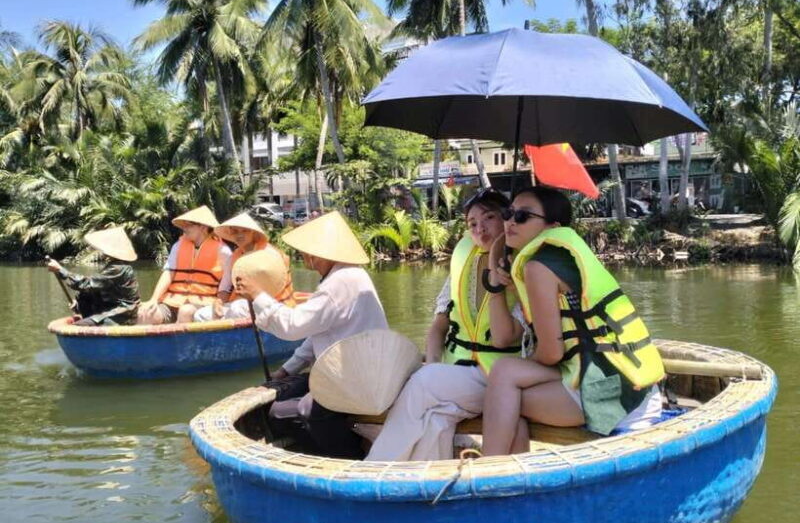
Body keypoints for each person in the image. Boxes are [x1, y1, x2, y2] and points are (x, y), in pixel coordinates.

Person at [481, 186, 665, 456]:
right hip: (629, 384)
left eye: (522, 216)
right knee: (505, 377)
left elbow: (551, 353)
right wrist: (497, 261)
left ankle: (493, 472)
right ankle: (505, 472)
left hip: (613, 394)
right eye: (509, 213)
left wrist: (521, 368)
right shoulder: (557, 257)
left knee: (504, 392)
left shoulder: (537, 268)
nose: (510, 222)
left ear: (552, 226)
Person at [366, 189, 525, 461]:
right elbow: (439, 327)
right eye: (472, 224)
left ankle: (375, 469)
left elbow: (505, 338)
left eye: (489, 217)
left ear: (507, 220)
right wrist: (435, 364)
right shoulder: (464, 263)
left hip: (497, 378)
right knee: (436, 420)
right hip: (457, 371)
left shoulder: (523, 267)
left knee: (423, 384)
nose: (480, 228)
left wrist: (499, 282)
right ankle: (423, 485)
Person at [234, 210, 388, 459]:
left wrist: (258, 295)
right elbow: (316, 333)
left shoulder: (339, 282)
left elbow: (293, 326)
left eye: (310, 251)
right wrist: (287, 369)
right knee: (291, 390)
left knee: (291, 411)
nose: (305, 255)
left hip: (355, 378)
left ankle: (348, 458)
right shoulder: (350, 275)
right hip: (357, 371)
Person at [137, 206, 232, 325]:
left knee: (185, 311)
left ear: (203, 227)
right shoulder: (178, 246)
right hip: (172, 300)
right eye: (183, 225)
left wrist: (220, 303)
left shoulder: (223, 251)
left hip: (202, 303)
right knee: (145, 313)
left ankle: (179, 343)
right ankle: (147, 343)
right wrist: (154, 299)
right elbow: (168, 272)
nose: (184, 228)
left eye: (188, 225)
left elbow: (226, 285)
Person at [193, 213, 294, 321]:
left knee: (238, 307)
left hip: (274, 305)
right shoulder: (233, 257)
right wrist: (219, 302)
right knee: (200, 315)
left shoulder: (270, 254)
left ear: (253, 233)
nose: (239, 235)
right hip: (241, 306)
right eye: (234, 231)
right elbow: (225, 287)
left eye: (244, 230)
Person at [46, 226, 140, 326]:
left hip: (122, 314)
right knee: (84, 295)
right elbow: (94, 289)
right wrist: (78, 306)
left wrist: (61, 270)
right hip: (114, 309)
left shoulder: (118, 268)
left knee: (77, 326)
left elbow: (86, 284)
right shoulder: (116, 266)